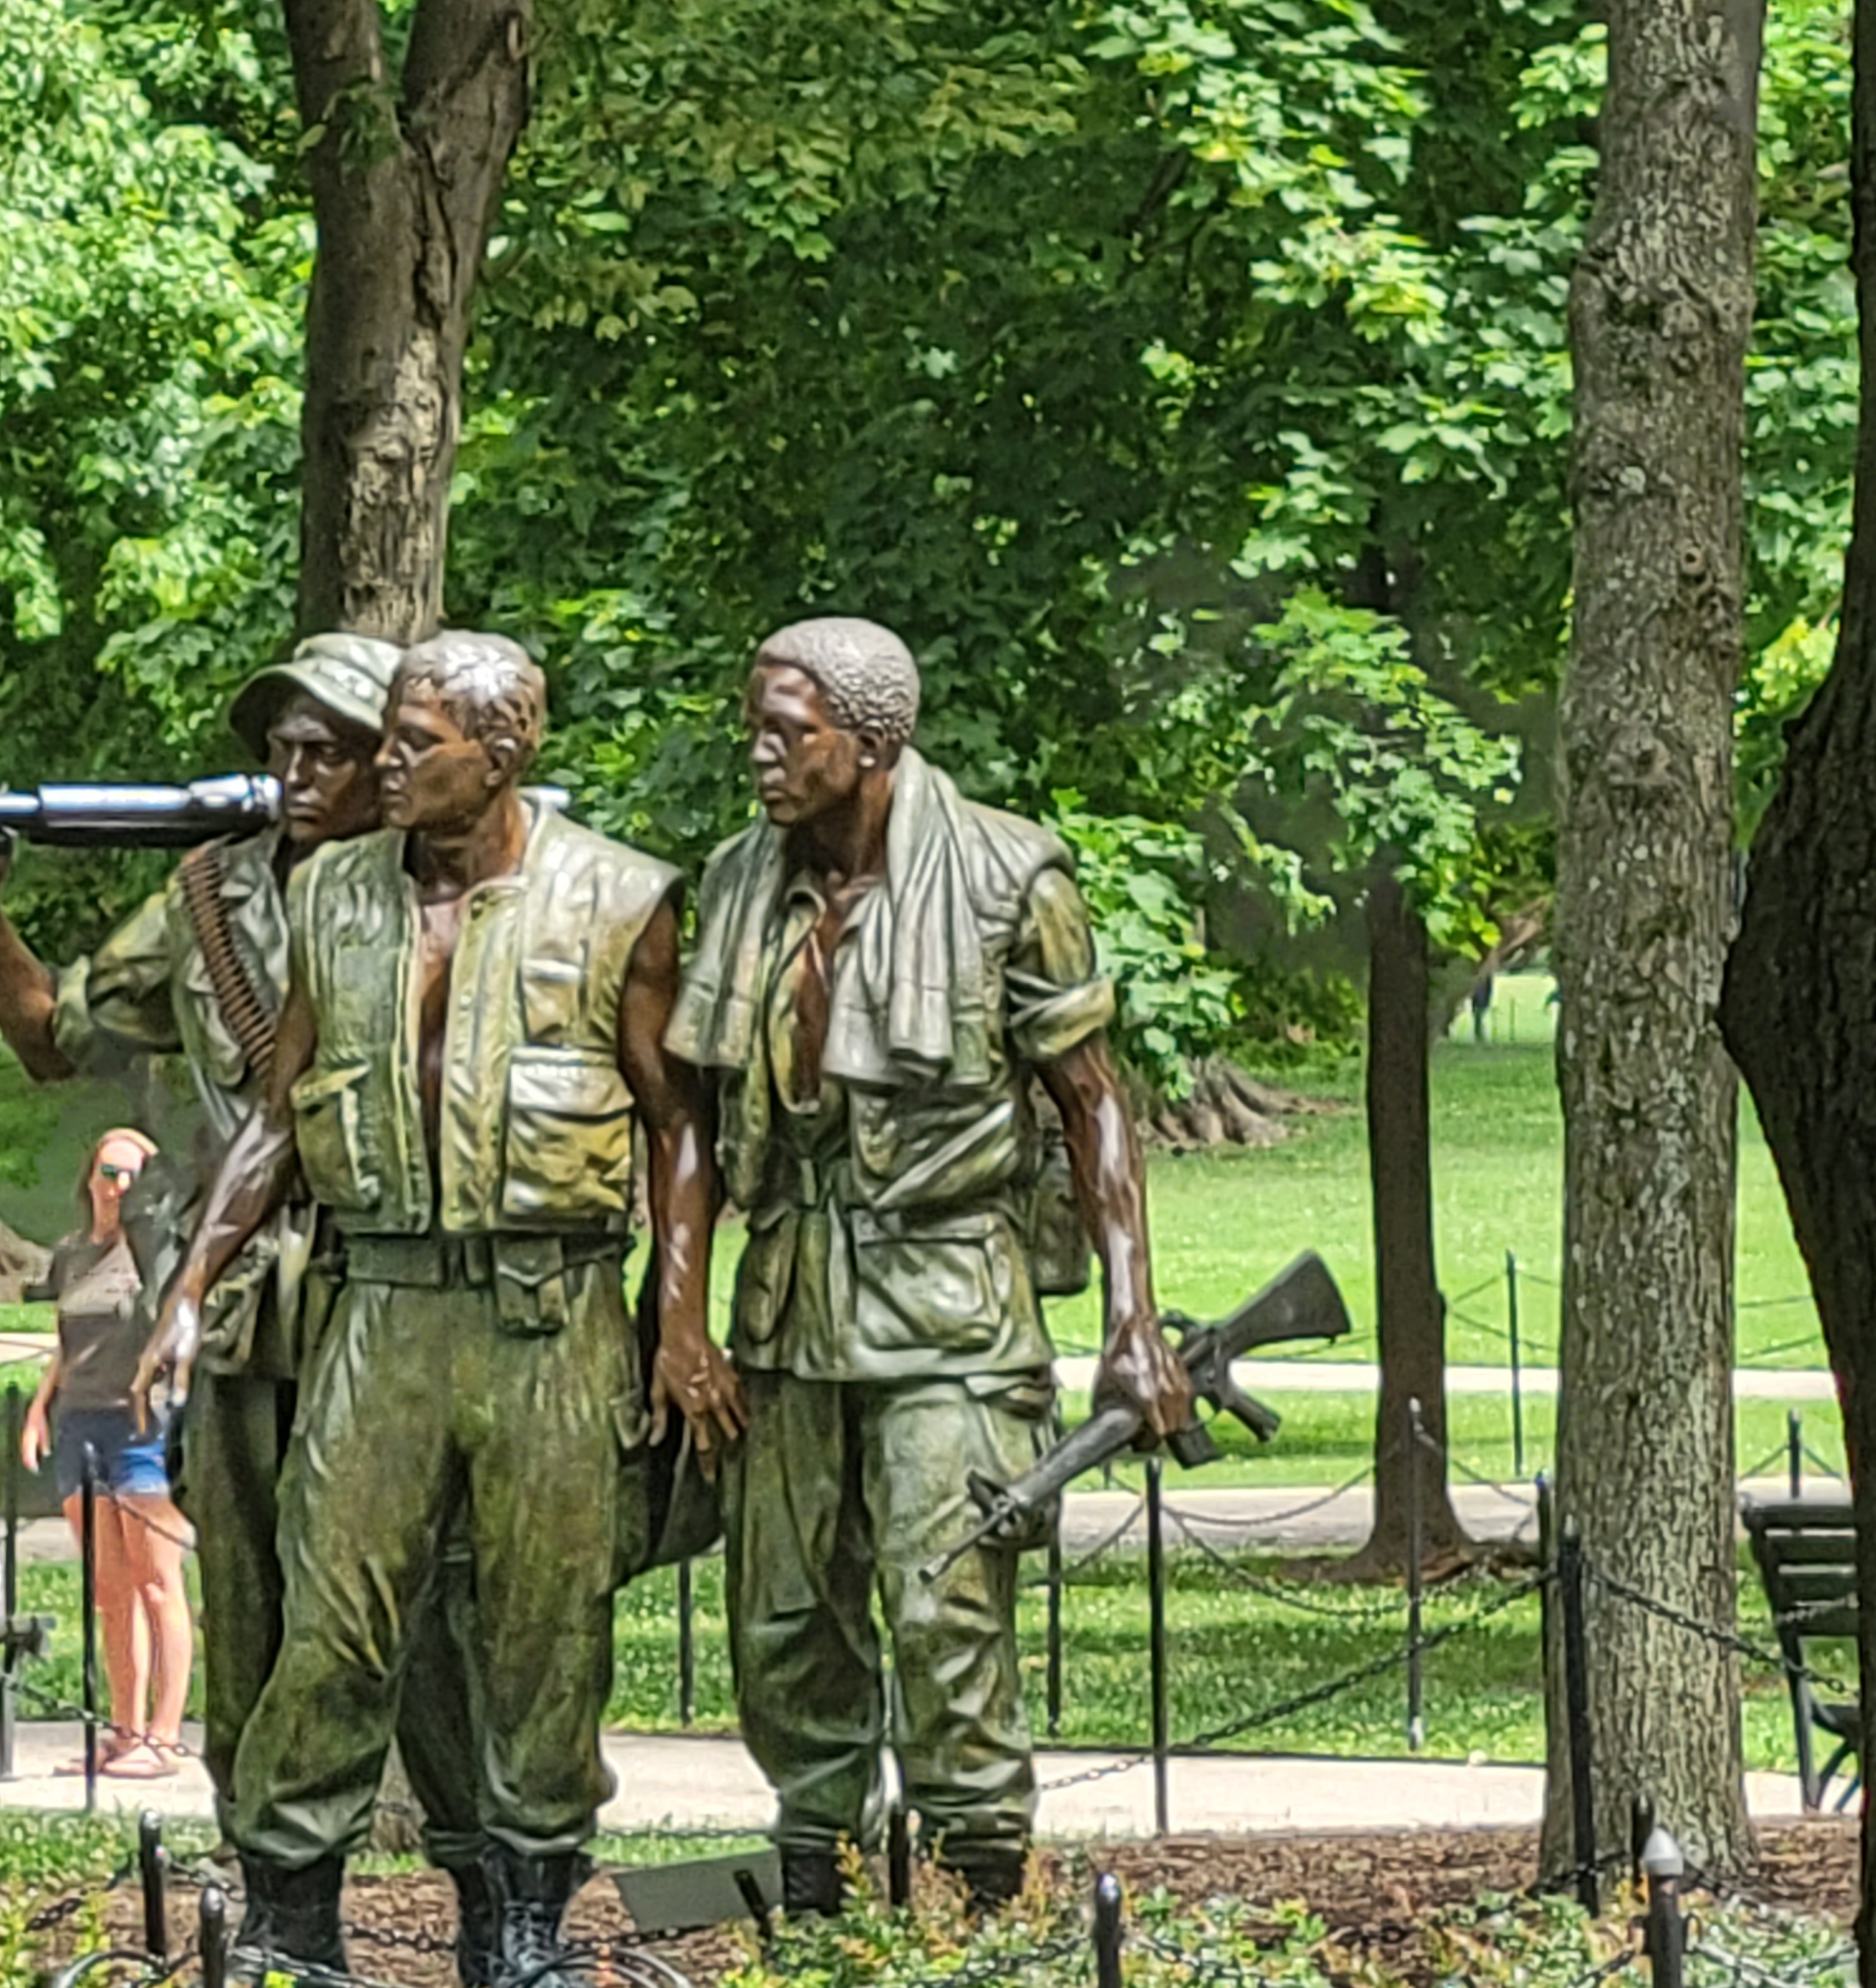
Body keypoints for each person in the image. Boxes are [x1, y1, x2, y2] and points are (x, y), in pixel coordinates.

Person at [151, 630, 733, 1981]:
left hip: (552, 1312)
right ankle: (294, 1918)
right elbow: (279, 1117)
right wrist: (187, 1288)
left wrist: (680, 1320)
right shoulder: (333, 893)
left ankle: (521, 1920)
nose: (388, 765)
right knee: (331, 1618)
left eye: (418, 744)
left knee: (545, 1626)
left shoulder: (620, 899)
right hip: (384, 1308)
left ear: (505, 750)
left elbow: (677, 1128)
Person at [0, 636, 494, 1968]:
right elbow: (56, 1038)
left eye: (329, 749)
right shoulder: (205, 898)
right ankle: (284, 1910)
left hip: (407, 1295)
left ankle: (493, 1894)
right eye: (281, 747)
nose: (296, 772)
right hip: (247, 1308)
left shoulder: (462, 894)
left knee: (432, 1610)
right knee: (246, 1605)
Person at [666, 616, 1195, 1911]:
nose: (760, 754)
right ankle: (819, 1903)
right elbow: (690, 1117)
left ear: (868, 741)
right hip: (789, 1304)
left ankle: (983, 1904)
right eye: (753, 728)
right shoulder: (737, 882)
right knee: (783, 1623)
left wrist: (1133, 1318)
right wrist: (679, 1321)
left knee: (944, 1613)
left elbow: (1093, 1101)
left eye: (787, 732)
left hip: (951, 1301)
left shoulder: (1011, 876)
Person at [22, 1125, 194, 1779]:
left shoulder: (157, 1253)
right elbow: (69, 1343)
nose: (118, 1187)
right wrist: (40, 1408)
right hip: (79, 1423)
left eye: (132, 1176)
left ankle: (165, 1736)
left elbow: (183, 1332)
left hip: (141, 1424)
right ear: (90, 1178)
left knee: (157, 1583)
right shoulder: (72, 1254)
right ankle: (124, 1731)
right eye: (109, 1172)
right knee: (111, 1590)